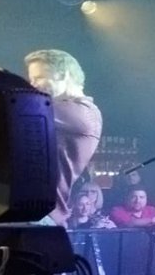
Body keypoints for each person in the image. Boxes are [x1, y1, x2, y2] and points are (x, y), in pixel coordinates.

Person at [24, 49, 102, 226]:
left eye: (39, 77)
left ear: (65, 75)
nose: (32, 84)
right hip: (30, 213)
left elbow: (13, 107)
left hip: (38, 216)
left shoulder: (84, 112)